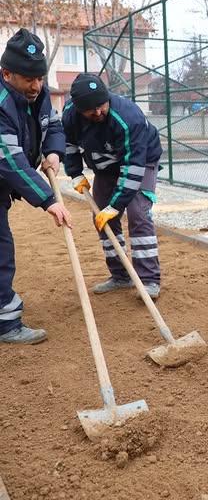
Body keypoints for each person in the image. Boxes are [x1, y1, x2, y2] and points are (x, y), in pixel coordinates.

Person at [0, 28, 72, 344]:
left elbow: (52, 124)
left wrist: (54, 152)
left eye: (40, 78)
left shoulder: (38, 95)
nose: (37, 85)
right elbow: (11, 160)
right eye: (29, 79)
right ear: (6, 73)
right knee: (1, 249)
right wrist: (48, 199)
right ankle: (6, 323)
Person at [63, 74, 163, 300]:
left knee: (138, 213)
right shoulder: (70, 116)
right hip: (106, 165)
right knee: (101, 217)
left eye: (101, 105)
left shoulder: (128, 117)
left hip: (141, 160)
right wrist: (75, 173)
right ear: (78, 109)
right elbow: (68, 144)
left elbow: (133, 167)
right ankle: (121, 276)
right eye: (90, 110)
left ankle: (148, 280)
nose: (98, 112)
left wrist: (116, 205)